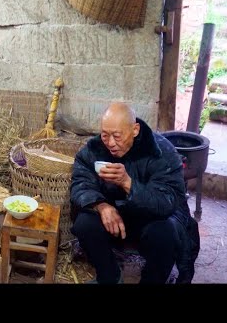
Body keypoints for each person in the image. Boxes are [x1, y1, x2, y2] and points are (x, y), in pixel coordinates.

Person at [70, 102, 200, 284]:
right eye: (105, 135)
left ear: (135, 130)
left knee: (166, 233)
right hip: (116, 218)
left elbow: (168, 201)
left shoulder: (161, 152)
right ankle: (110, 277)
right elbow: (79, 182)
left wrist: (128, 183)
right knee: (84, 223)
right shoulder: (95, 148)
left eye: (117, 136)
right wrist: (101, 205)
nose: (110, 143)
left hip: (151, 219)